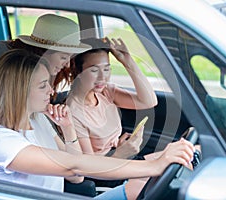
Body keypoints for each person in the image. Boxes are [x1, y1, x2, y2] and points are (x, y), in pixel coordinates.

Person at [0, 49, 195, 199]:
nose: (52, 92)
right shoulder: (1, 141)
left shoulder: (39, 120)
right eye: (43, 86)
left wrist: (67, 127)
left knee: (142, 185)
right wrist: (152, 166)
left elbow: (76, 177)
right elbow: (74, 166)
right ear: (20, 91)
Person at [66, 37, 162, 198]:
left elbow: (148, 101)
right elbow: (88, 165)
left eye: (107, 69)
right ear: (77, 71)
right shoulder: (73, 111)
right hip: (105, 173)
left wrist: (128, 61)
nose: (102, 77)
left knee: (178, 156)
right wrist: (120, 153)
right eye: (94, 70)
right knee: (160, 177)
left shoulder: (106, 92)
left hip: (120, 159)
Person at [0, 13, 91, 99]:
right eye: (63, 57)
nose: (67, 65)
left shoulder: (52, 69)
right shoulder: (1, 55)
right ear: (44, 52)